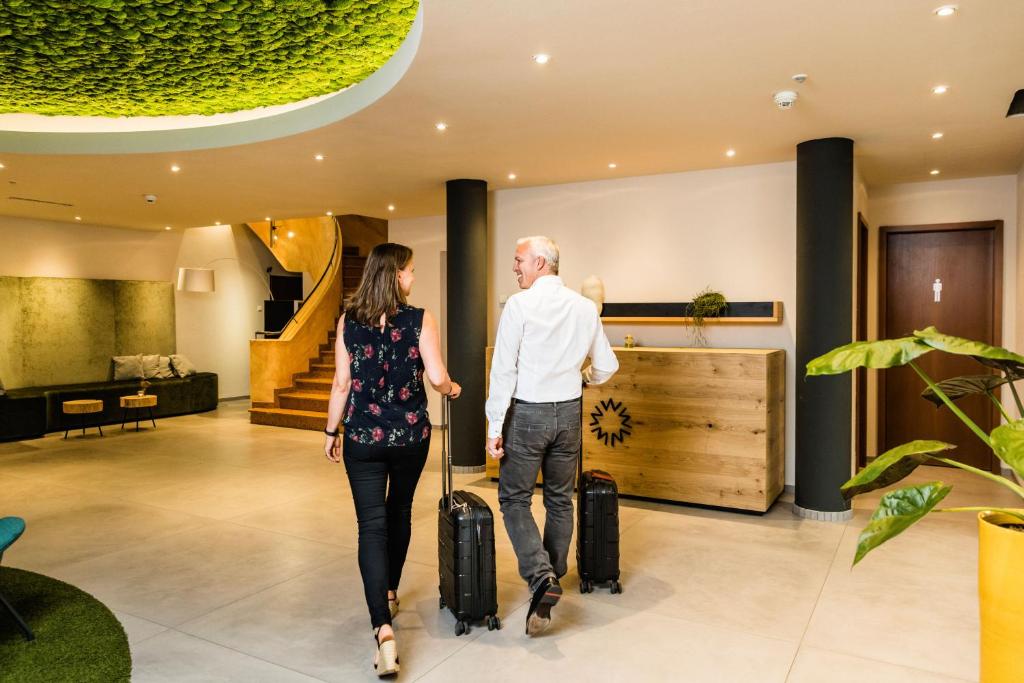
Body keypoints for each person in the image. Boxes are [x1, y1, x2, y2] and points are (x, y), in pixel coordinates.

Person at [324, 242, 461, 676]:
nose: (414, 277)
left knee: (371, 525)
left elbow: (342, 384)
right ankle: (388, 593)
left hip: (362, 438)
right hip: (409, 437)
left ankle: (382, 629)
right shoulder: (420, 319)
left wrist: (331, 431)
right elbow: (437, 376)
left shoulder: (349, 322)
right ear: (395, 274)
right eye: (411, 271)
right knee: (398, 512)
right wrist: (453, 390)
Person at [485, 235, 619, 636]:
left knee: (514, 498)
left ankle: (542, 576)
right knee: (561, 498)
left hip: (527, 414)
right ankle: (553, 574)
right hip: (569, 413)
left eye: (519, 260)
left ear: (541, 262)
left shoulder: (520, 306)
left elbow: (503, 371)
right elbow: (608, 365)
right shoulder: (584, 307)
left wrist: (495, 427)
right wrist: (584, 378)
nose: (515, 267)